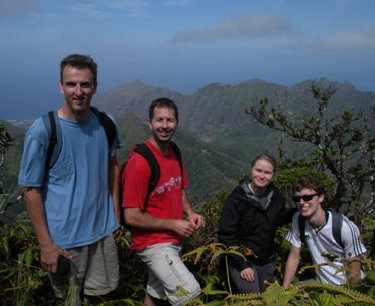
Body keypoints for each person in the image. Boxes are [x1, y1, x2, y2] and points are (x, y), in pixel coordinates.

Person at [18, 54, 122, 304]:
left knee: (104, 296)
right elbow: (30, 189)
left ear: (94, 87)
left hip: (102, 234)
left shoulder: (105, 124)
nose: (78, 91)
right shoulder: (43, 131)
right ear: (60, 86)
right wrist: (46, 245)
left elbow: (113, 166)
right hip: (64, 241)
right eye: (71, 84)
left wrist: (115, 214)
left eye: (85, 84)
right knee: (69, 301)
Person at [121, 97, 205, 306]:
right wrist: (172, 224)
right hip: (153, 244)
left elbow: (178, 188)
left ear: (177, 123)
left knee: (155, 295)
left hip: (172, 240)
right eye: (159, 120)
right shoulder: (139, 164)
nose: (165, 126)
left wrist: (190, 213)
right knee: (189, 294)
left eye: (170, 120)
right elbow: (130, 216)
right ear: (149, 123)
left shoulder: (173, 151)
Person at [218, 154, 295, 293]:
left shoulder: (275, 196)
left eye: (267, 172)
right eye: (258, 170)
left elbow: (279, 219)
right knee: (254, 298)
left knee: (267, 298)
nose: (262, 176)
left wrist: (301, 211)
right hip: (242, 261)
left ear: (273, 175)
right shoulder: (237, 199)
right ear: (251, 170)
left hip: (267, 260)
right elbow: (226, 235)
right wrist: (242, 264)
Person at [282, 176, 366, 289]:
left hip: (345, 288)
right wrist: (283, 292)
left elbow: (354, 271)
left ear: (320, 197)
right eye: (297, 199)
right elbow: (294, 256)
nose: (301, 202)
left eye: (307, 197)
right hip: (321, 283)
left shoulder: (343, 227)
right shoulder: (298, 219)